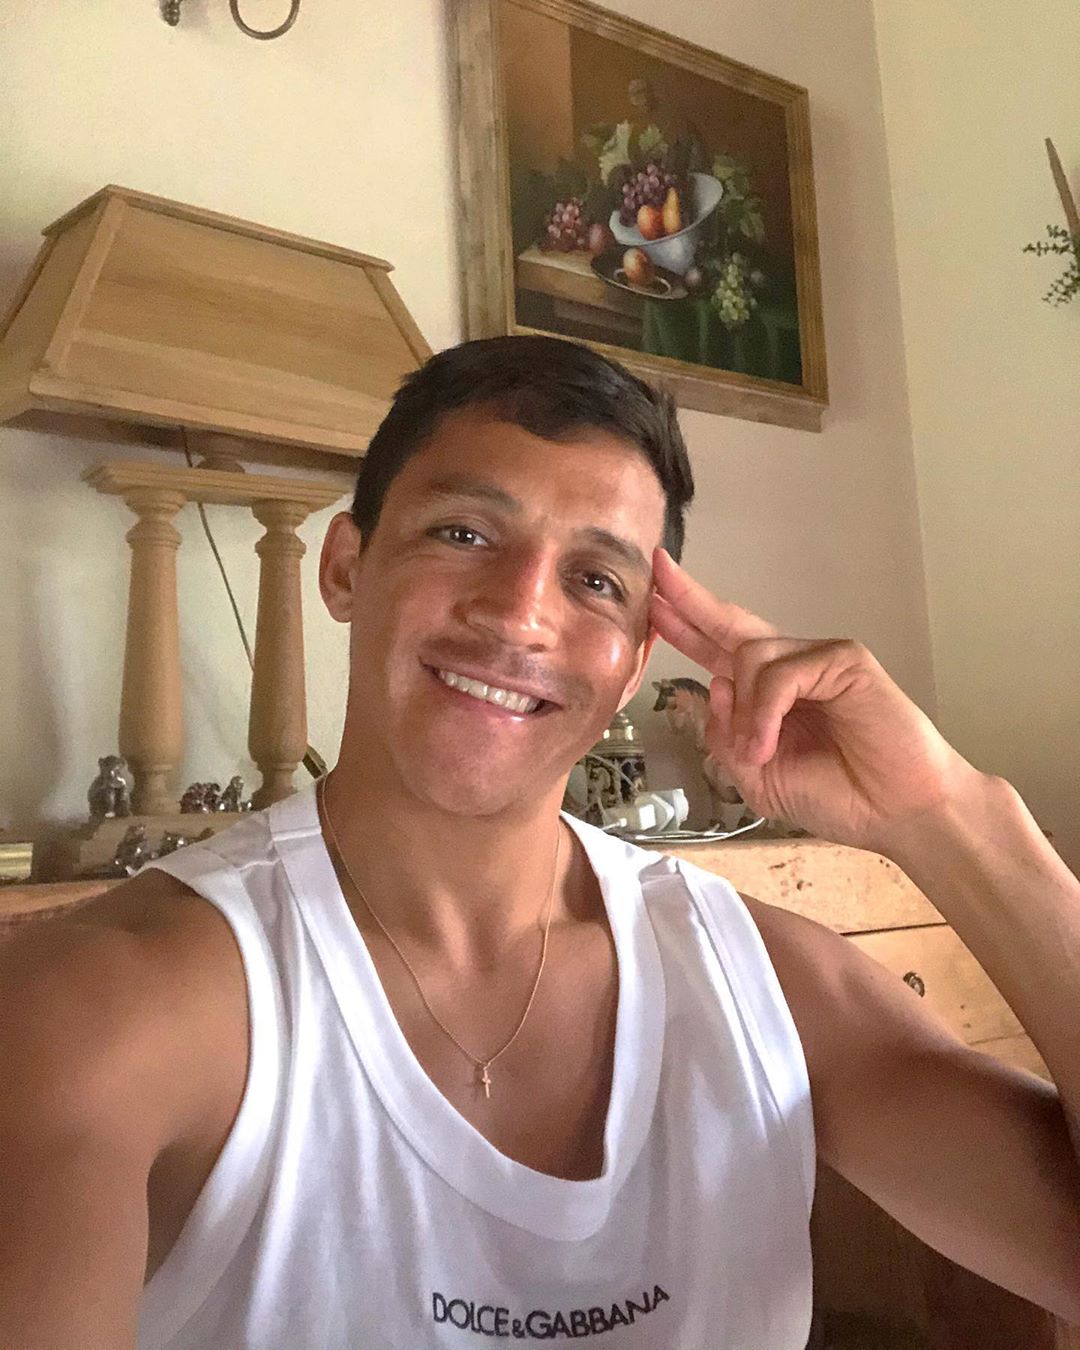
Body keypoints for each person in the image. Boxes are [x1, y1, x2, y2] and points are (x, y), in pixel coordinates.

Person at [1, 336, 1077, 1348]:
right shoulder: (99, 1009)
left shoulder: (773, 987)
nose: (521, 614)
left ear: (635, 660)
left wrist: (948, 814)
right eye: (464, 534)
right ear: (345, 568)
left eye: (596, 580)